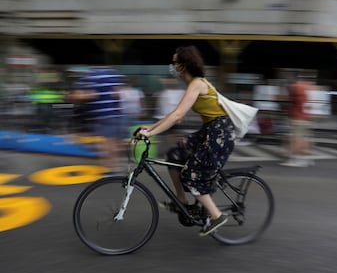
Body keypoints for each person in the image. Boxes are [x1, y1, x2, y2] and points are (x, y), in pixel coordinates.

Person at [136, 45, 236, 236]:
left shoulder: (197, 83)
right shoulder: (192, 85)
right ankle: (182, 202)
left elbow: (178, 115)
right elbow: (176, 115)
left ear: (184, 65)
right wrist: (151, 128)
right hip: (210, 130)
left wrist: (151, 134)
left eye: (175, 63)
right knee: (174, 155)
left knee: (191, 174)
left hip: (220, 132)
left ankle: (216, 216)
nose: (172, 66)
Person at [70, 66, 125, 173]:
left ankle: (108, 168)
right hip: (115, 113)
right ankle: (115, 166)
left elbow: (91, 94)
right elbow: (118, 93)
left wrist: (77, 96)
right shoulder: (114, 73)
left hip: (102, 114)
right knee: (112, 141)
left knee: (104, 143)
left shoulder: (92, 76)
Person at [280, 73, 314, 167]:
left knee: (296, 139)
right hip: (306, 117)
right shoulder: (308, 87)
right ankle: (305, 158)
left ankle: (296, 159)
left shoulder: (295, 87)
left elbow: (289, 100)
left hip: (297, 117)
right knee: (303, 138)